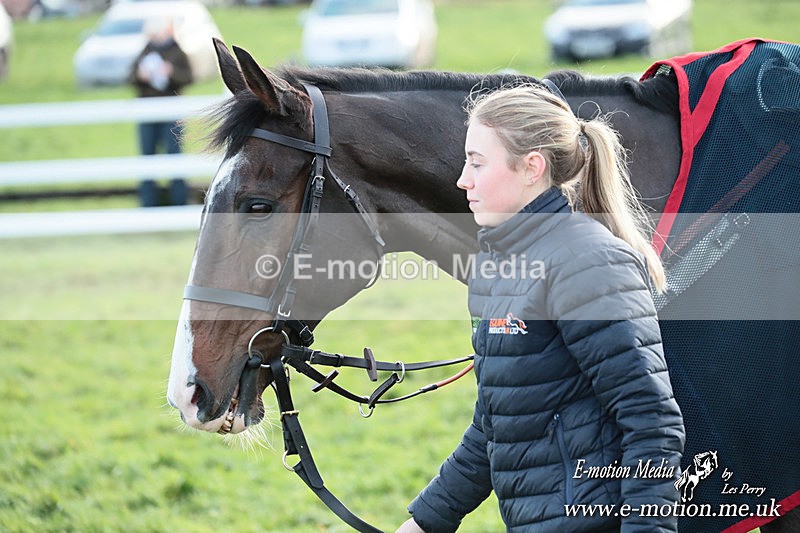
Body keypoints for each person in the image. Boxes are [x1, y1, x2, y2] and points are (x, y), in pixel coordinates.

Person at [397, 85, 685, 532]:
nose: (463, 180)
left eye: (477, 163)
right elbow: (497, 422)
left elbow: (652, 423)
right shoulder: (495, 267)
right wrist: (424, 522)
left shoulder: (588, 262)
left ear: (532, 167)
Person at [128, 17, 193, 207]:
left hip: (172, 111)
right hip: (147, 111)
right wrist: (140, 76)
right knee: (147, 156)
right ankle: (148, 202)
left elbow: (188, 77)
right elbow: (130, 76)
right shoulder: (145, 51)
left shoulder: (177, 51)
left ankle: (179, 201)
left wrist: (171, 72)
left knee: (175, 154)